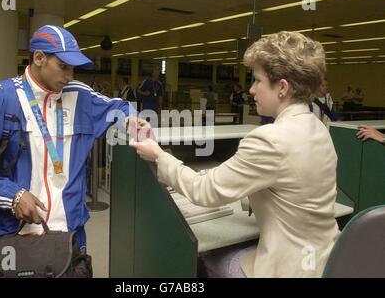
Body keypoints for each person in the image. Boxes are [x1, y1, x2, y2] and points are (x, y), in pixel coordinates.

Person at [130, 31, 339, 278]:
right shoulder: (319, 129)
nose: (251, 90)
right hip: (326, 260)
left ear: (282, 87)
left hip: (287, 269)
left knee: (206, 254)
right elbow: (294, 184)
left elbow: (203, 190)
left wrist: (158, 155)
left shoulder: (270, 139)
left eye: (257, 80)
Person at [0, 25, 144, 263]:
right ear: (39, 58)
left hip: (71, 236)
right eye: (63, 67)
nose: (69, 76)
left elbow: (119, 107)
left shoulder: (80, 96)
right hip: (15, 238)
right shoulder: (0, 98)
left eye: (73, 69)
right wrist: (13, 195)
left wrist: (130, 118)